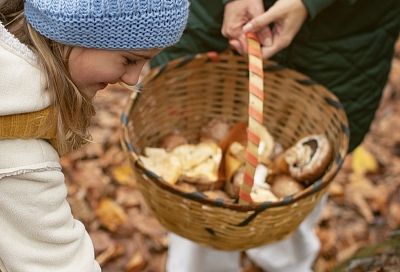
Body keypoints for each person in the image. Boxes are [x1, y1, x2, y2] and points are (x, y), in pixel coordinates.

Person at [150, 0, 400, 271]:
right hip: (217, 31)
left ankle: (283, 263)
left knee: (292, 213)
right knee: (200, 220)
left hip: (339, 40)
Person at [0, 0, 189, 271]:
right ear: (74, 30)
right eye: (130, 59)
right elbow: (57, 263)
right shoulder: (20, 154)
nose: (134, 79)